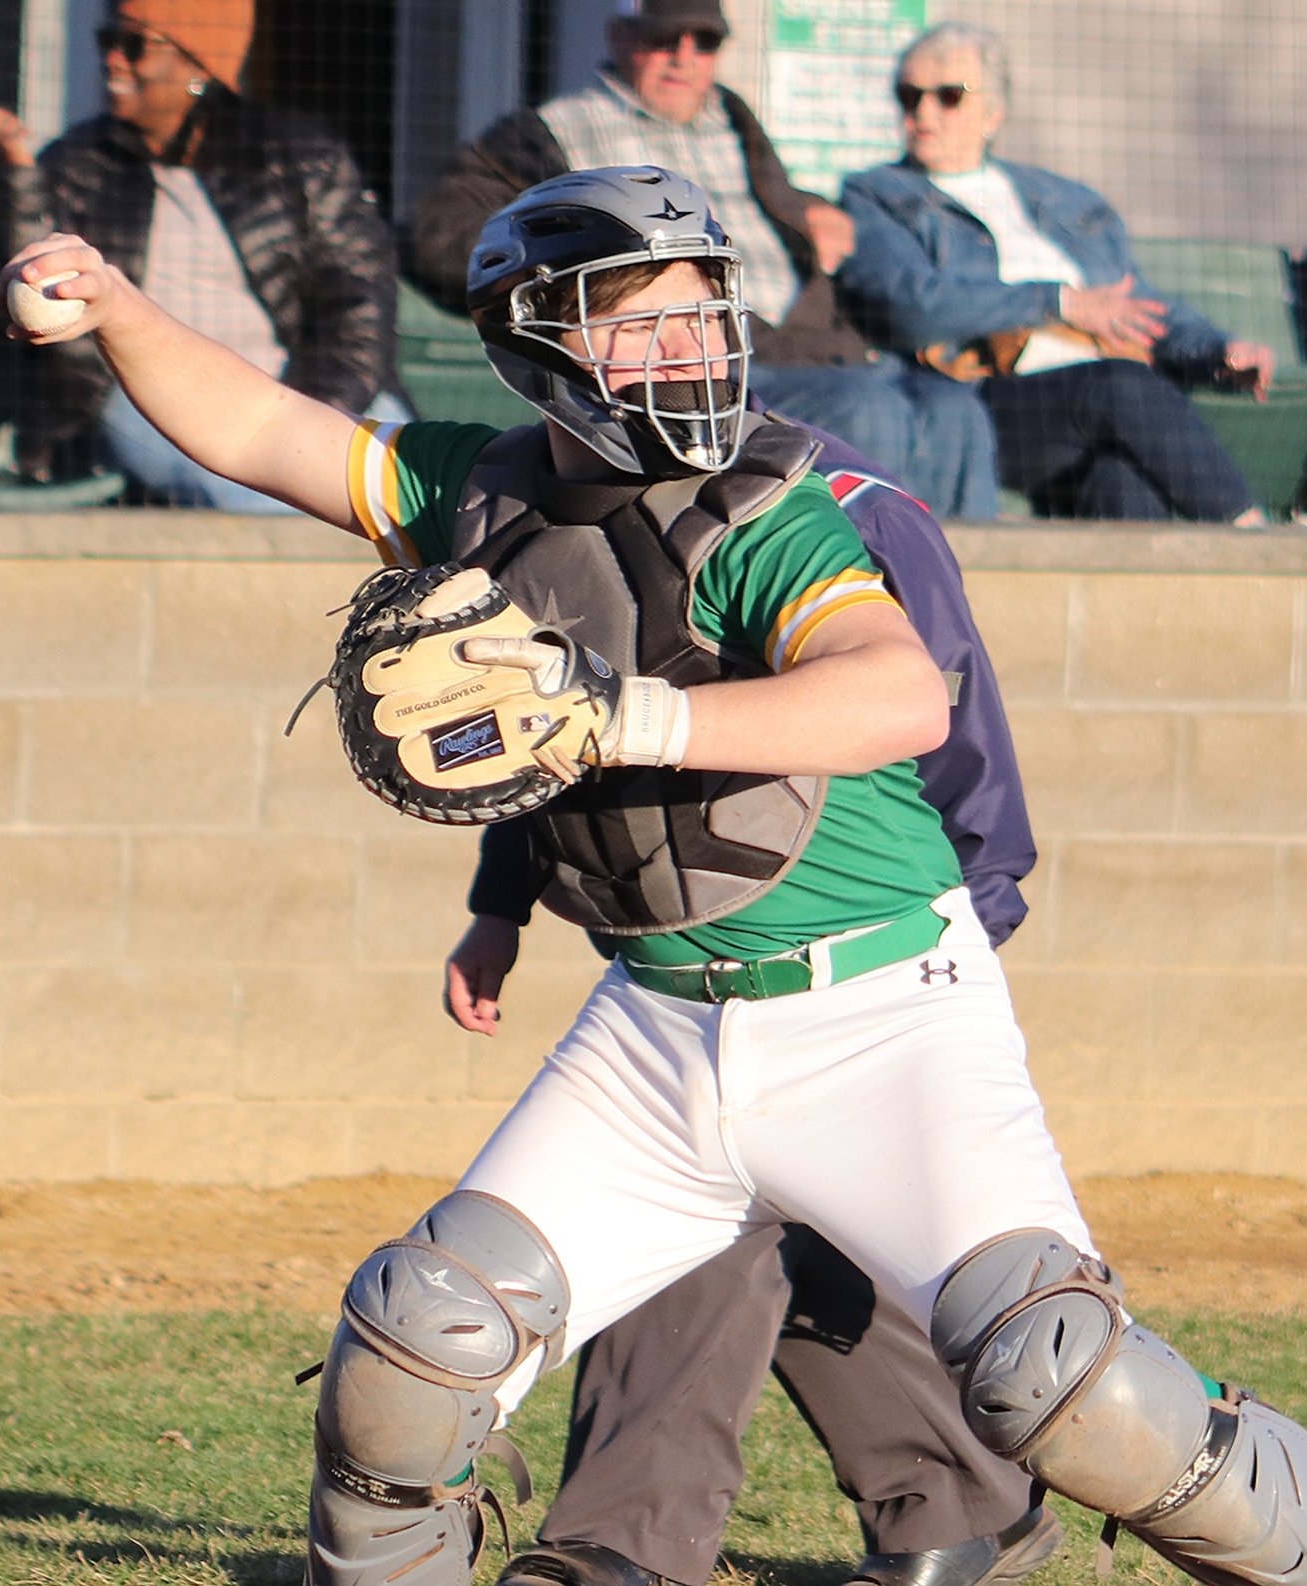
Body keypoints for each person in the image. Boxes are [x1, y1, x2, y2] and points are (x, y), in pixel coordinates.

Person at [0, 164, 1307, 1586]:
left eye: (703, 312)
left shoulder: (767, 508)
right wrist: (115, 304)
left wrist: (620, 718)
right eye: (639, 319)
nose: (686, 346)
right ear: (537, 343)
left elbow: (896, 696)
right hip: (653, 1033)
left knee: (1065, 1384)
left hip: (882, 1015)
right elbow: (258, 428)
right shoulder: (478, 491)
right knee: (410, 1347)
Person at [447, 423, 1056, 1586]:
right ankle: (956, 1507)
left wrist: (959, 937)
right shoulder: (587, 503)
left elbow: (956, 747)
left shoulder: (852, 513)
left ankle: (626, 1541)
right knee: (755, 1230)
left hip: (876, 956)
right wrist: (502, 903)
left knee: (761, 1234)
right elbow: (557, 734)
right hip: (691, 963)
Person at [406, 0, 999, 524]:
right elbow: (442, 229)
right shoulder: (550, 130)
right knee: (869, 409)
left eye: (704, 42)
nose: (682, 57)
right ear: (619, 39)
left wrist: (811, 212)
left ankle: (958, 585)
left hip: (815, 341)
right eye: (664, 38)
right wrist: (561, 259)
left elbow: (773, 205)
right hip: (700, 352)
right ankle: (863, 587)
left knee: (954, 407)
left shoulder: (732, 117)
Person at [836, 24, 1273, 525]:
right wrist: (1058, 301)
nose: (924, 113)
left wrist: (1218, 349)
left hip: (1098, 398)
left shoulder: (1065, 201)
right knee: (1121, 386)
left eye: (949, 96)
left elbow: (1136, 304)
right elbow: (908, 304)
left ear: (993, 113)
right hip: (985, 397)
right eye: (909, 96)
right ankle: (1258, 542)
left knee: (1120, 480)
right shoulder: (878, 195)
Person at [0, 0, 402, 507]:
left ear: (200, 65)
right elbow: (32, 300)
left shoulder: (298, 159)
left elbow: (359, 311)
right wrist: (22, 177)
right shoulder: (77, 165)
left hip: (300, 393)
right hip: (147, 394)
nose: (112, 61)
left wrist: (304, 422)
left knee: (409, 487)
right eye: (108, 42)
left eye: (134, 46)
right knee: (267, 499)